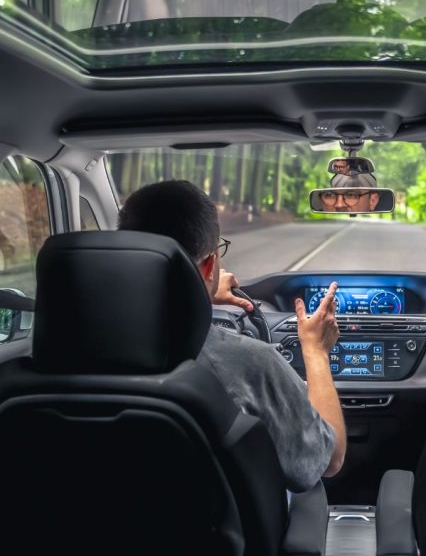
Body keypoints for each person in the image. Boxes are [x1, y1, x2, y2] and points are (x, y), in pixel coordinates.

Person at [118, 180, 346, 492]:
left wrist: (199, 295)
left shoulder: (59, 356)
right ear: (210, 263)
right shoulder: (250, 363)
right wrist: (316, 351)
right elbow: (329, 460)